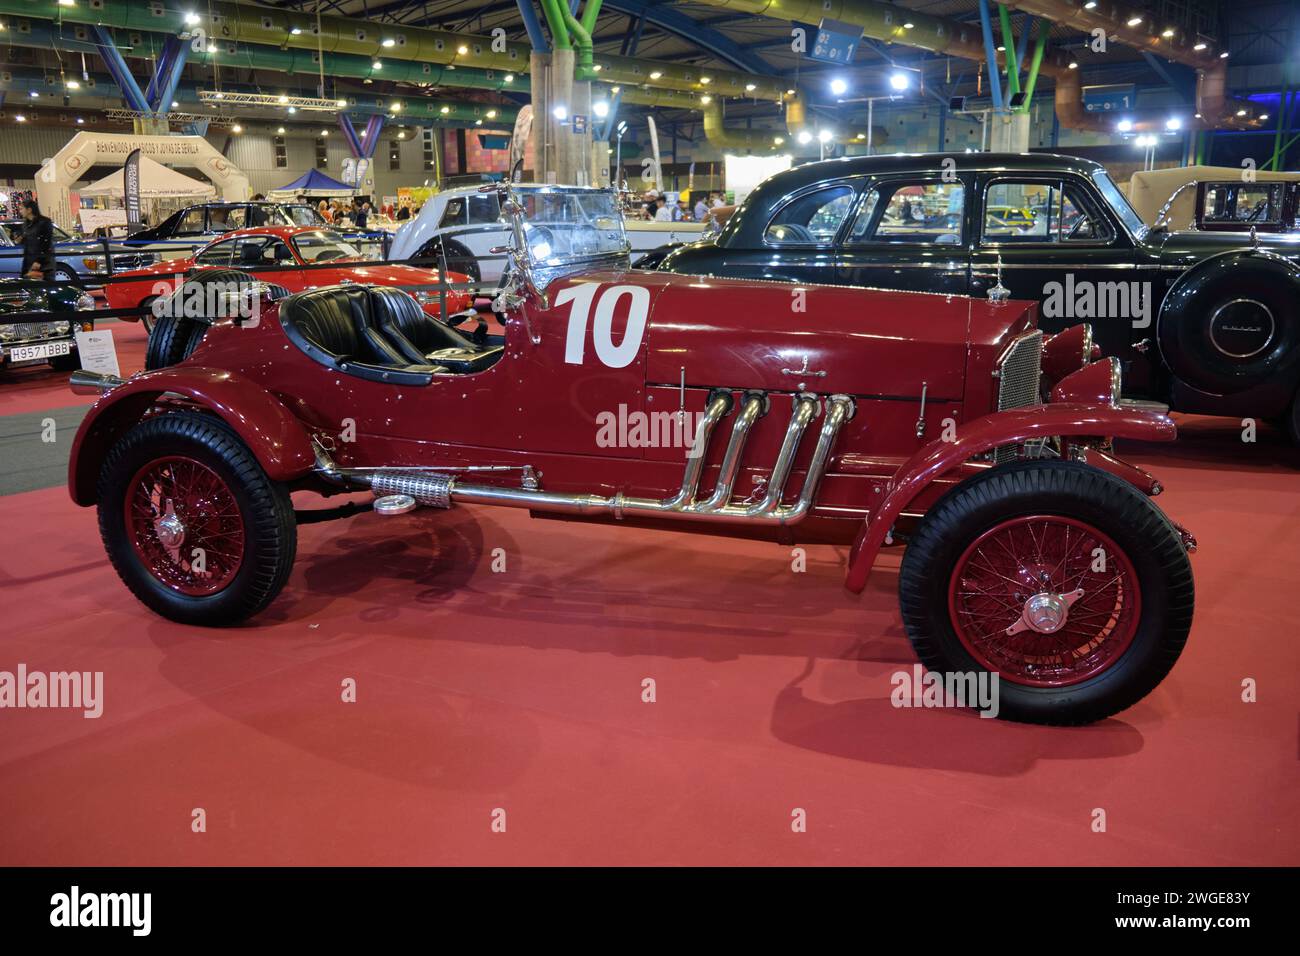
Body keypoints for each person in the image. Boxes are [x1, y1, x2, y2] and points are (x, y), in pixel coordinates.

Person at [18, 198, 55, 281]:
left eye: (21, 209)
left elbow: (47, 243)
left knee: (46, 287)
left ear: (29, 210)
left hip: (44, 263)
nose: (20, 211)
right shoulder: (25, 225)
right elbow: (28, 244)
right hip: (29, 262)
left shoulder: (45, 222)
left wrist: (39, 261)